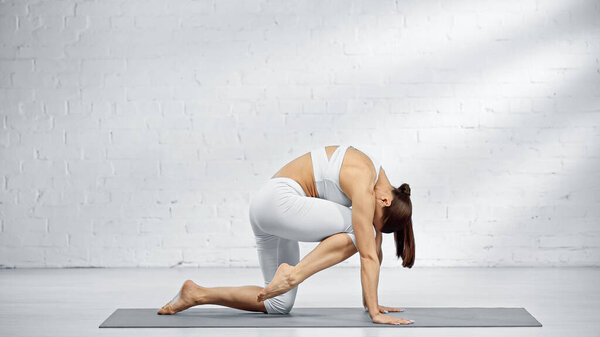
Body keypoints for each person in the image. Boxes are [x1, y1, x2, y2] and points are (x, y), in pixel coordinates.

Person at [157, 144, 416, 325]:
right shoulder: (363, 178)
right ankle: (292, 274)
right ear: (383, 200)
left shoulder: (377, 185)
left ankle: (196, 294)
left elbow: (376, 249)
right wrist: (375, 315)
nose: (369, 215)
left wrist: (372, 302)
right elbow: (368, 254)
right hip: (279, 201)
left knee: (278, 304)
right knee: (362, 233)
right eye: (375, 214)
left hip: (271, 213)